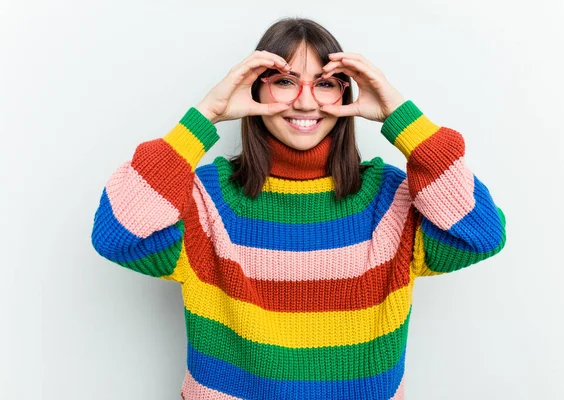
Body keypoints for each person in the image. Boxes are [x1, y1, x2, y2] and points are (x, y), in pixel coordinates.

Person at [91, 17, 507, 400]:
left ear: (346, 92)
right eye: (286, 81)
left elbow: (481, 234)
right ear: (254, 90)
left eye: (325, 84)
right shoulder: (207, 201)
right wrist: (207, 114)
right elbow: (117, 234)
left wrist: (401, 115)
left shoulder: (388, 201)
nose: (306, 103)